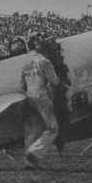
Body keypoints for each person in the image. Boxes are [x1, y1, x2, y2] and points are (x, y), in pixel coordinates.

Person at [21, 39, 61, 168]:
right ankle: (35, 152)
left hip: (29, 96)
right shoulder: (45, 61)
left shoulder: (26, 63)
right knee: (53, 128)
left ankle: (29, 162)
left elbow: (22, 84)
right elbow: (54, 81)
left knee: (32, 129)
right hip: (41, 97)